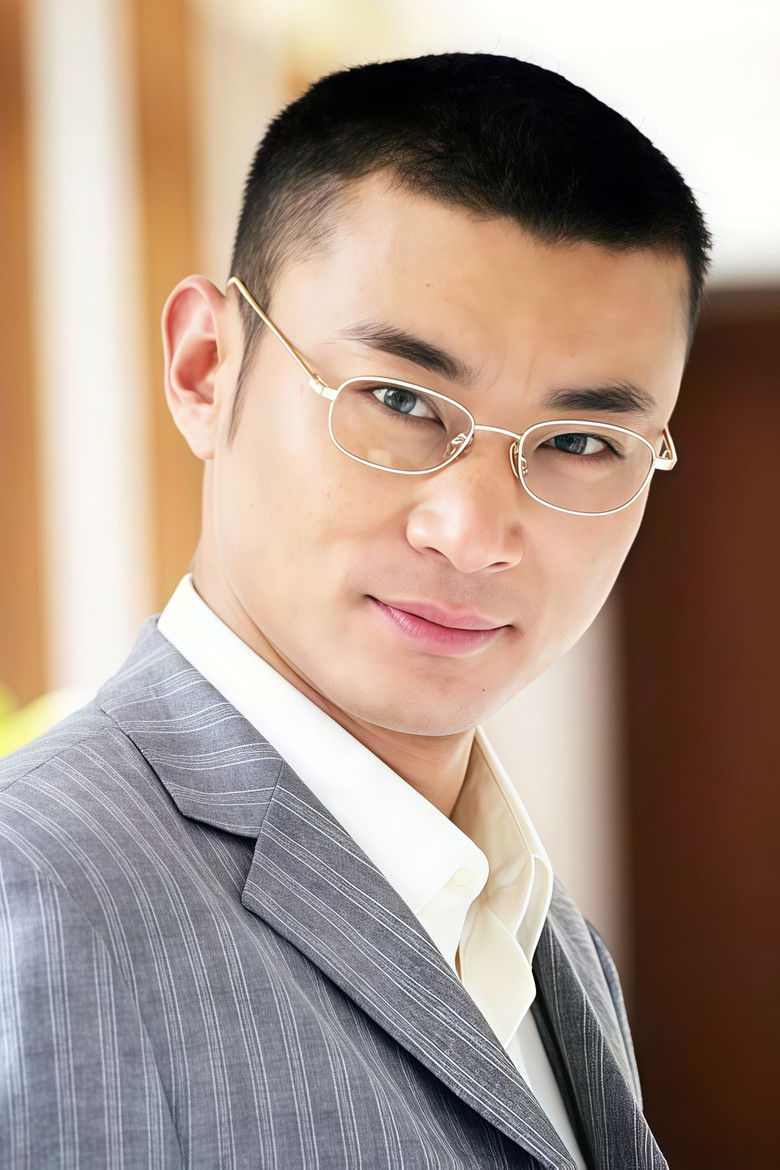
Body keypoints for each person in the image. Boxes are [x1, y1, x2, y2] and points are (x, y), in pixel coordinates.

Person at [0, 52, 709, 1169]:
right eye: (399, 401)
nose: (473, 532)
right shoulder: (35, 900)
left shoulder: (533, 920)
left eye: (581, 442)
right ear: (206, 368)